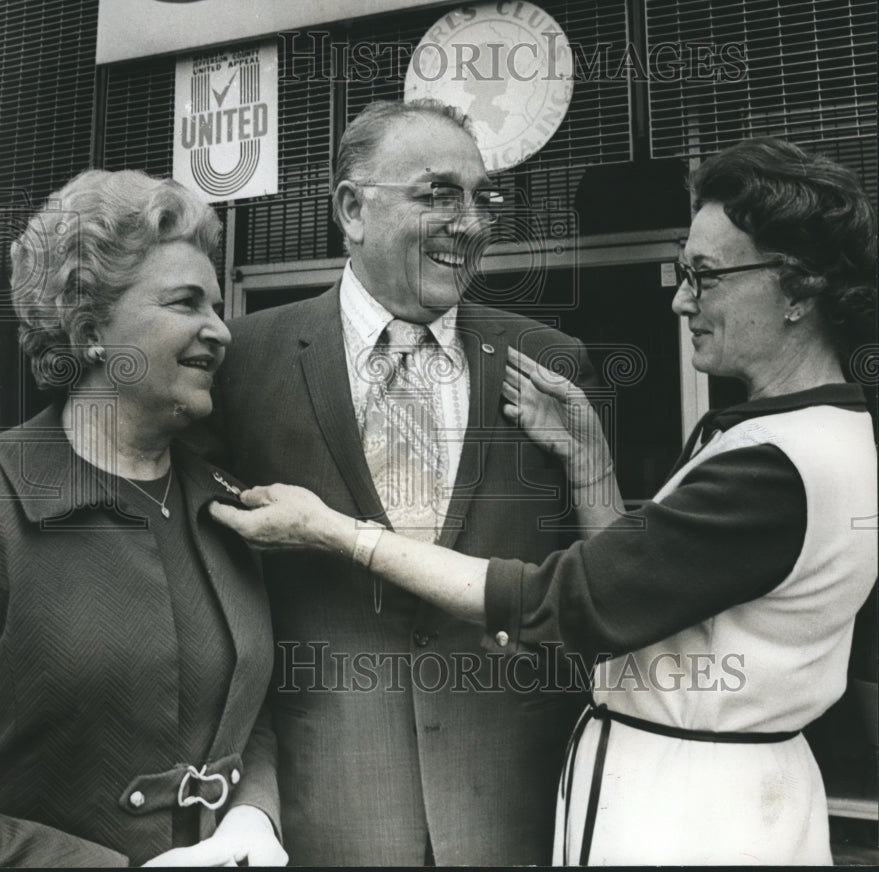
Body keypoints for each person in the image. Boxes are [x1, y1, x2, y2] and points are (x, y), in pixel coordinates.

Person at [212, 136, 878, 865]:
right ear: (351, 209)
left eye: (704, 274)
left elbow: (572, 601)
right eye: (438, 193)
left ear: (799, 288)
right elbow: (641, 591)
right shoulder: (802, 433)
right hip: (353, 799)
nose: (680, 296)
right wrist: (592, 469)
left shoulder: (773, 464)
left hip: (677, 812)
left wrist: (341, 533)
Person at [202, 99, 598, 866]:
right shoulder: (241, 361)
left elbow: (593, 577)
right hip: (329, 801)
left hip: (518, 802)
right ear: (351, 209)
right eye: (438, 193)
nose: (472, 222)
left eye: (483, 197)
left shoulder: (547, 362)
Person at [0, 170, 287, 867]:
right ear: (92, 327)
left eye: (217, 306)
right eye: (186, 302)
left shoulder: (229, 505)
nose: (220, 331)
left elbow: (247, 710)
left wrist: (254, 815)